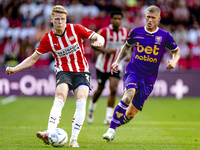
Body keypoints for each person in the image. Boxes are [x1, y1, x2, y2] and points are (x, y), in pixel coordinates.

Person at [6, 5, 105, 147]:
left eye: (63, 19)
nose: (60, 22)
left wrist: (99, 42)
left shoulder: (76, 29)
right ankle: (50, 132)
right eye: (57, 19)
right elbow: (33, 58)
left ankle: (73, 140)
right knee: (60, 96)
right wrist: (15, 68)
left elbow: (98, 37)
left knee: (82, 100)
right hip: (63, 71)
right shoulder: (48, 39)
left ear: (66, 19)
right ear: (52, 20)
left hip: (81, 71)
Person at [103, 5, 180, 142]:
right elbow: (126, 47)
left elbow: (176, 51)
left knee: (130, 115)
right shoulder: (136, 32)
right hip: (133, 72)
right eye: (148, 17)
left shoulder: (164, 36)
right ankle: (111, 129)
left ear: (158, 19)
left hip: (149, 79)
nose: (150, 20)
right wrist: (117, 61)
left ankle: (116, 124)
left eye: (153, 18)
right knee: (128, 97)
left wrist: (174, 61)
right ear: (144, 17)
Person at [86, 11, 129, 125]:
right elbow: (92, 44)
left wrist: (128, 55)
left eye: (119, 19)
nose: (117, 21)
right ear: (111, 19)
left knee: (113, 89)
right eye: (115, 18)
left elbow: (129, 46)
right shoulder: (104, 31)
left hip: (116, 65)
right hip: (102, 65)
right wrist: (105, 50)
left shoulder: (125, 32)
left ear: (121, 20)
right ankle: (91, 110)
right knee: (100, 89)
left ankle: (108, 117)